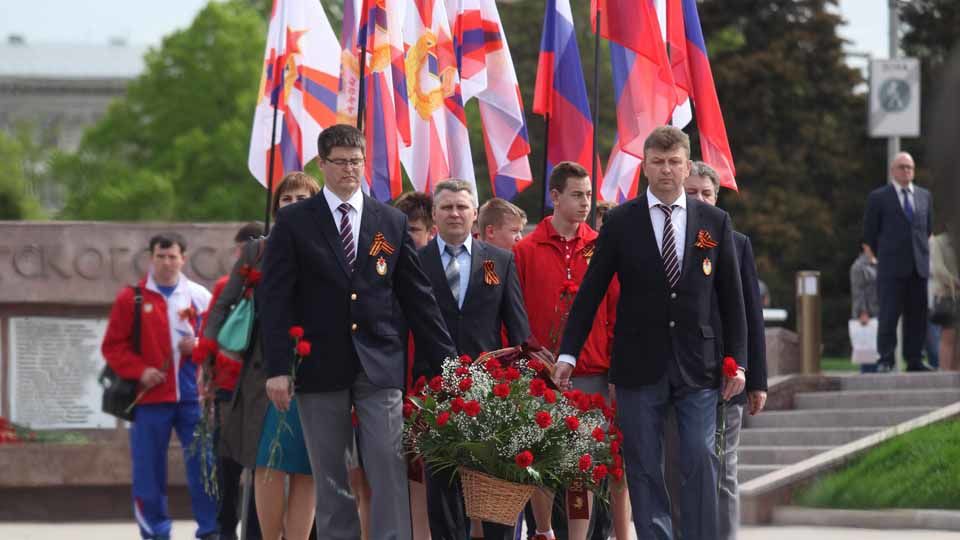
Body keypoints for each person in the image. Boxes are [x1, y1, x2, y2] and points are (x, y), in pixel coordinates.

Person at [259, 125, 456, 540]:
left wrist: (448, 363)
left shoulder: (391, 220)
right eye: (340, 161)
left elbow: (418, 298)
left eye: (356, 160)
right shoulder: (295, 221)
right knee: (331, 474)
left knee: (387, 463)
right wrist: (278, 366)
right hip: (319, 365)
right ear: (322, 164)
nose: (349, 169)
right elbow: (274, 299)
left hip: (379, 363)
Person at [556, 126, 747, 540]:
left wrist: (741, 362)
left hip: (699, 366)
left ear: (687, 164)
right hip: (637, 366)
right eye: (657, 162)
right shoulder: (623, 221)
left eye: (674, 161)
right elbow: (590, 292)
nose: (666, 170)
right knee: (643, 464)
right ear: (644, 167)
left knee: (699, 455)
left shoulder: (714, 221)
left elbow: (732, 299)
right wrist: (568, 353)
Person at [513, 161, 629, 540]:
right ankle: (545, 532)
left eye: (589, 195)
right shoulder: (524, 251)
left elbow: (615, 312)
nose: (585, 203)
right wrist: (527, 358)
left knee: (586, 465)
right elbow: (513, 315)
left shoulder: (602, 248)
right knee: (542, 462)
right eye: (577, 195)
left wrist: (613, 369)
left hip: (591, 372)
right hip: (539, 376)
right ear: (555, 196)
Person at [415, 179, 533, 540]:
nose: (454, 213)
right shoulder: (416, 262)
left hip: (491, 394)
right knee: (443, 492)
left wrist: (522, 389)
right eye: (447, 206)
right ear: (434, 213)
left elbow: (518, 333)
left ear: (475, 213)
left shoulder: (500, 260)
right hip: (434, 391)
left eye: (462, 207)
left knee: (493, 489)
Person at [205, 173, 320, 540]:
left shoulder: (332, 246)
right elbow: (223, 305)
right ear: (276, 208)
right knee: (267, 461)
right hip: (264, 369)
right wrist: (210, 357)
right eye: (287, 199)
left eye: (303, 197)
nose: (294, 204)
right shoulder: (258, 250)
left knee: (308, 465)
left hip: (318, 368)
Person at [101, 233, 218, 540]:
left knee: (205, 467)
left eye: (172, 256)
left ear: (184, 258)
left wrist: (201, 345)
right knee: (148, 471)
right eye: (160, 256)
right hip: (149, 399)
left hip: (193, 398)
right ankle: (155, 532)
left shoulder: (199, 296)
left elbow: (219, 342)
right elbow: (113, 346)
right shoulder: (132, 298)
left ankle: (211, 531)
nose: (167, 262)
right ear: (151, 258)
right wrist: (141, 371)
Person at [684, 161, 768, 540]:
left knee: (725, 469)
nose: (699, 199)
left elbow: (750, 314)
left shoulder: (736, 243)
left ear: (717, 198)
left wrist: (756, 379)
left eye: (706, 193)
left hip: (726, 378)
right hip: (680, 373)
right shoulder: (666, 240)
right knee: (684, 467)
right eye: (691, 192)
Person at [200, 221, 264, 540]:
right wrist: (207, 375)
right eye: (245, 245)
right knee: (228, 462)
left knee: (258, 466)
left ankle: (253, 531)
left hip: (259, 387)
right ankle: (226, 529)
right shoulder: (227, 285)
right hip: (227, 387)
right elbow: (211, 332)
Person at [863, 151, 934, 372]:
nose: (906, 171)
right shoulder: (879, 197)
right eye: (902, 167)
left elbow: (928, 229)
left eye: (910, 167)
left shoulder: (924, 196)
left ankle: (914, 358)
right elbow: (869, 234)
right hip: (891, 268)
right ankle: (885, 358)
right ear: (893, 171)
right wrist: (878, 260)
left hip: (918, 268)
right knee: (889, 315)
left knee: (917, 316)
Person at [392, 190, 436, 540]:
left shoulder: (435, 273)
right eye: (403, 232)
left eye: (415, 231)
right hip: (388, 388)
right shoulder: (381, 271)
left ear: (431, 232)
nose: (409, 239)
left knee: (419, 478)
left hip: (424, 391)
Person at [850, 242, 881, 373]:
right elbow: (858, 291)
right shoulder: (859, 267)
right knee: (868, 354)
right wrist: (862, 312)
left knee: (878, 353)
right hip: (868, 314)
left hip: (879, 312)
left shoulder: (877, 263)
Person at [930, 232, 959, 371]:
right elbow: (938, 270)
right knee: (949, 337)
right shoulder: (939, 241)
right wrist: (956, 282)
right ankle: (945, 375)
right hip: (949, 296)